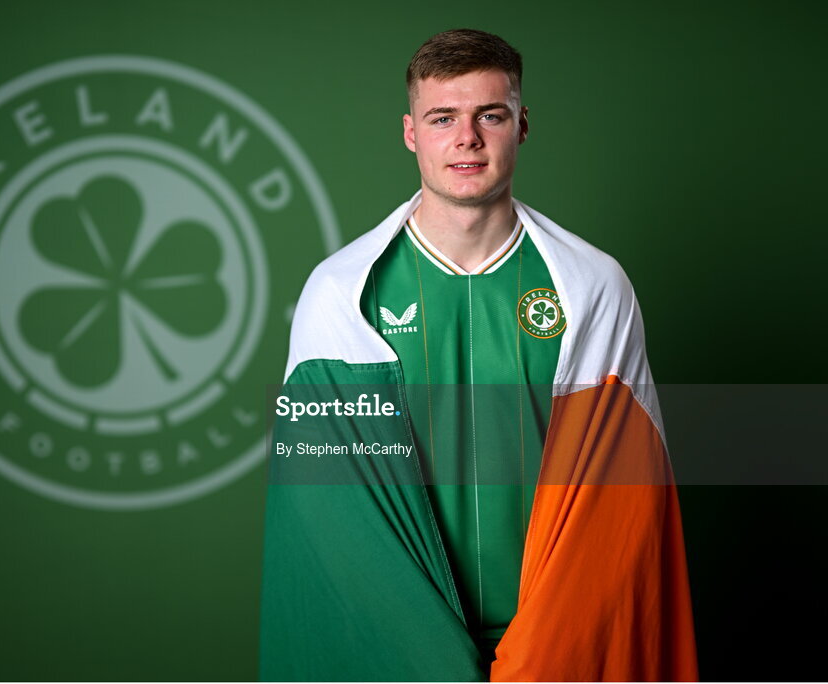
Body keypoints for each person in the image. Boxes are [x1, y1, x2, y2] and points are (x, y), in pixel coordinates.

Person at [260, 29, 698, 681]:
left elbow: (622, 502)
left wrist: (546, 651)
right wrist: (424, 654)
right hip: (399, 641)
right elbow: (325, 512)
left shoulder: (593, 286)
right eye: (443, 118)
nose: (467, 138)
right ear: (412, 133)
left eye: (489, 116)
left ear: (521, 126)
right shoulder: (341, 294)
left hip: (557, 636)